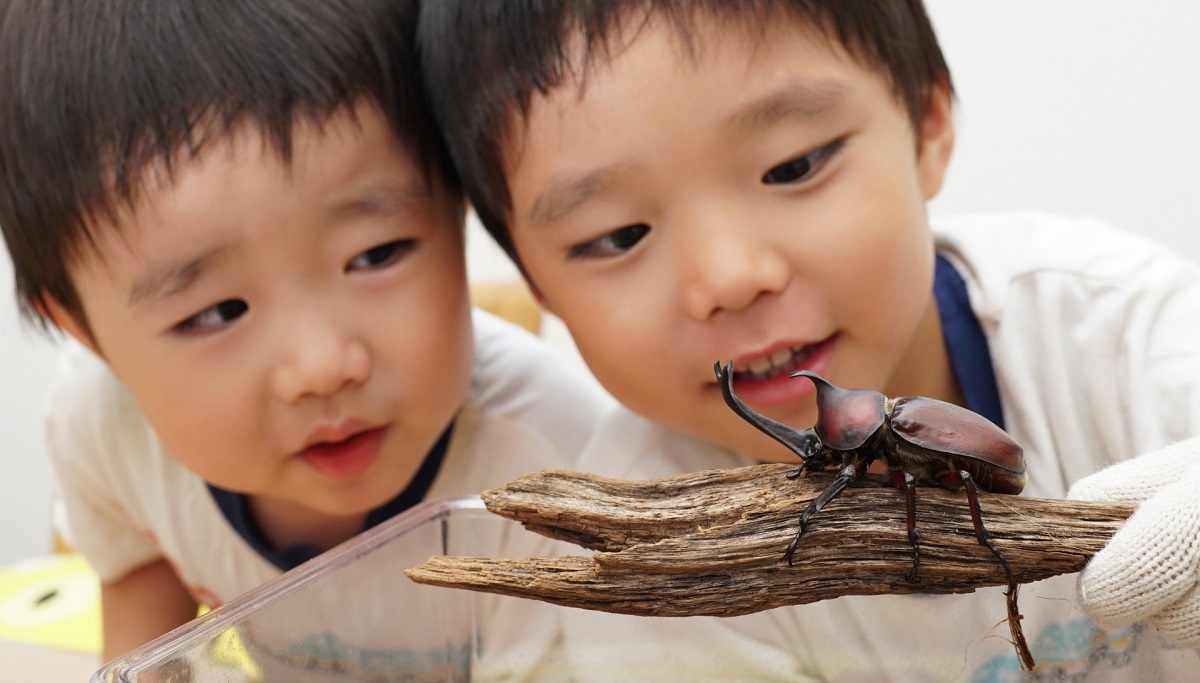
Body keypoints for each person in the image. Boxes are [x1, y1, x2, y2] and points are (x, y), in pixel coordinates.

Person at [418, 0, 1200, 679]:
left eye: (794, 165)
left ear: (927, 124)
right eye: (619, 234)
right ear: (537, 289)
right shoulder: (634, 552)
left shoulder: (1122, 332)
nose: (729, 276)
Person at [0, 0, 609, 666]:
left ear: (463, 198)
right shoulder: (104, 424)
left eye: (376, 254)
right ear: (84, 331)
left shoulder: (556, 483)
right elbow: (137, 578)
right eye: (216, 311)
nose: (323, 366)